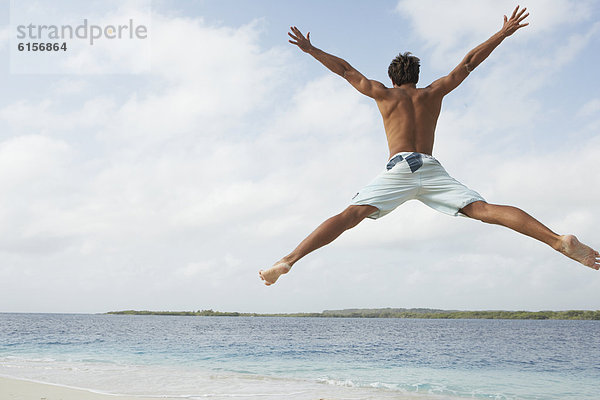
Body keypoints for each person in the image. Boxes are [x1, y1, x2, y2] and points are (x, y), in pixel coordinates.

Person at [259, 6, 599, 286]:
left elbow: (347, 70)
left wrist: (310, 49)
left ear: (392, 78)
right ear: (416, 76)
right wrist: (502, 33)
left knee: (351, 215)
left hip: (401, 166)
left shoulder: (384, 93)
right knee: (483, 210)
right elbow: (468, 62)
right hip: (431, 167)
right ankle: (557, 241)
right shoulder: (433, 93)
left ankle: (288, 260)